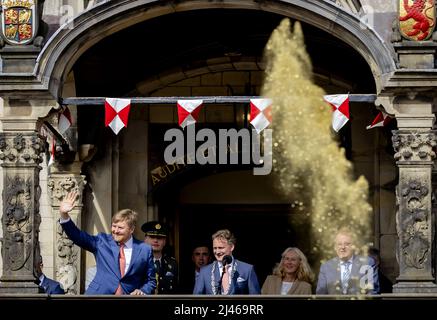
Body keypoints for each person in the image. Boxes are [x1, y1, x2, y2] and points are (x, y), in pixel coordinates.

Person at [59, 191, 156, 295]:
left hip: (128, 299)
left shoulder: (144, 249)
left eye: (120, 228)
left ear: (131, 229)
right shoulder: (102, 241)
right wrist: (64, 215)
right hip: (99, 296)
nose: (115, 230)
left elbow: (151, 281)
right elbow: (77, 236)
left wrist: (142, 291)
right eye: (114, 226)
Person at [193, 229, 260, 295]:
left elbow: (256, 299)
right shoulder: (204, 271)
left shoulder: (247, 269)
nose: (217, 252)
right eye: (215, 248)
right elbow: (196, 299)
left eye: (221, 248)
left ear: (231, 247)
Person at [316, 228, 379, 295]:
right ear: (335, 247)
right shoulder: (326, 267)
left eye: (347, 244)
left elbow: (372, 293)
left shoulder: (367, 263)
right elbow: (320, 295)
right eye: (339, 244)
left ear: (353, 246)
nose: (343, 247)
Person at [142, 221, 179, 294]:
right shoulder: (138, 261)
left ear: (164, 241)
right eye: (152, 237)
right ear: (145, 239)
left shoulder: (172, 263)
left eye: (159, 238)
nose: (155, 240)